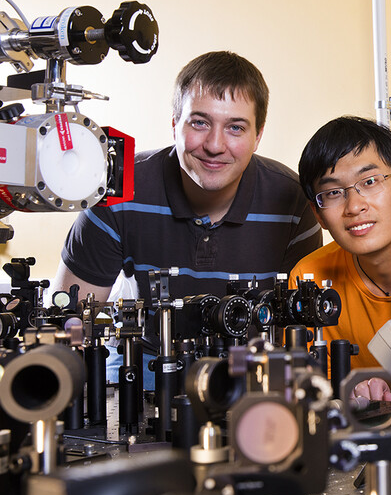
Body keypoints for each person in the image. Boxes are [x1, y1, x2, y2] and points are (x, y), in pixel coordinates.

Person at [52, 51, 322, 357]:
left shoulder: (294, 202)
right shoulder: (118, 192)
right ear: (174, 124)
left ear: (258, 136)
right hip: (147, 361)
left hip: (251, 367)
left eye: (236, 127)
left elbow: (300, 323)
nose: (215, 146)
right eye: (199, 123)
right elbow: (69, 319)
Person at [291, 116, 391, 376]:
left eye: (370, 182)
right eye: (333, 193)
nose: (354, 206)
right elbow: (311, 386)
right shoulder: (309, 281)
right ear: (318, 215)